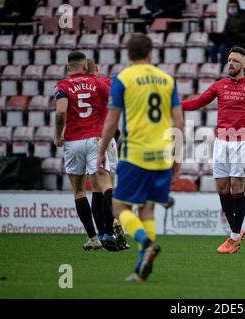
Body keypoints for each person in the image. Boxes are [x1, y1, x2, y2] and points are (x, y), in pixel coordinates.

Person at [97, 34, 184, 282]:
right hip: (162, 157)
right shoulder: (167, 79)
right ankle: (139, 270)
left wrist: (102, 150)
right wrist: (177, 155)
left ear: (128, 54)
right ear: (150, 53)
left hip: (135, 155)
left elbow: (112, 120)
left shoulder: (122, 78)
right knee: (147, 211)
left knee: (118, 206)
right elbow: (179, 121)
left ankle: (146, 243)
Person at [182, 47, 245, 254]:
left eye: (234, 60)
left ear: (243, 64)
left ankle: (233, 238)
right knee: (222, 189)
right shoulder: (219, 85)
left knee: (236, 186)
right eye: (229, 60)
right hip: (221, 143)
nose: (230, 63)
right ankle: (237, 230)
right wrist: (175, 104)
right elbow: (197, 103)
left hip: (241, 142)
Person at [54, 51, 119, 252]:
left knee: (79, 190)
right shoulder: (97, 83)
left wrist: (58, 135)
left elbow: (60, 112)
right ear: (86, 67)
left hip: (73, 142)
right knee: (106, 185)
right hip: (96, 139)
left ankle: (93, 237)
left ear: (68, 68)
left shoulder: (63, 85)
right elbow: (115, 101)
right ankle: (110, 229)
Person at [85, 58, 128, 251]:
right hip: (102, 138)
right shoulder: (106, 83)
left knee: (96, 188)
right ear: (97, 69)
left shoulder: (72, 87)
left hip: (82, 140)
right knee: (107, 185)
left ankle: (101, 234)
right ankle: (110, 234)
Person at [209, 0, 245, 66]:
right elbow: (225, 32)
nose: (231, 8)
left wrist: (238, 36)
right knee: (213, 48)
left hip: (241, 42)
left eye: (233, 6)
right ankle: (214, 68)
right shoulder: (229, 18)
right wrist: (218, 37)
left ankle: (225, 69)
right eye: (230, 6)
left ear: (238, 7)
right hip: (229, 41)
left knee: (223, 48)